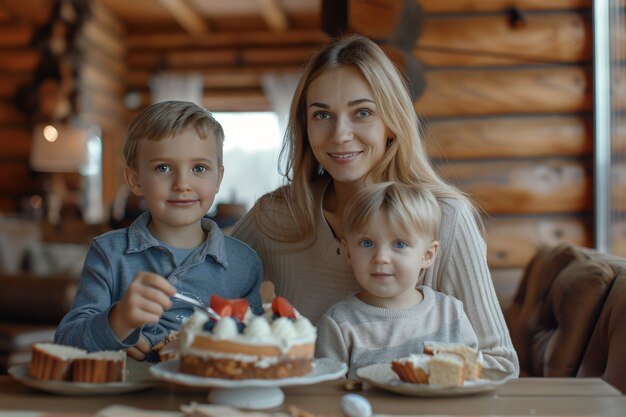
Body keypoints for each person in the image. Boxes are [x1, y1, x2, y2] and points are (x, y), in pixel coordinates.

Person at [231, 34, 519, 375]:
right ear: (303, 126)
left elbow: (500, 365)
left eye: (362, 112)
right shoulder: (277, 214)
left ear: (391, 124)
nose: (340, 134)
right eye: (321, 115)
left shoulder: (446, 218)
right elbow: (199, 287)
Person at [55, 101, 263, 360]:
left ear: (218, 178)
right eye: (163, 168)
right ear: (135, 180)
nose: (182, 184)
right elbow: (65, 342)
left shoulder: (244, 263)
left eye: (199, 168)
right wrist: (117, 322)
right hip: (126, 397)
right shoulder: (109, 254)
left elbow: (259, 344)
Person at [315, 182, 479, 379]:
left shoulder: (451, 313)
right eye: (367, 243)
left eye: (399, 244)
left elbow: (472, 379)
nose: (381, 257)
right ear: (349, 252)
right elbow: (328, 396)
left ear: (427, 256)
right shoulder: (339, 324)